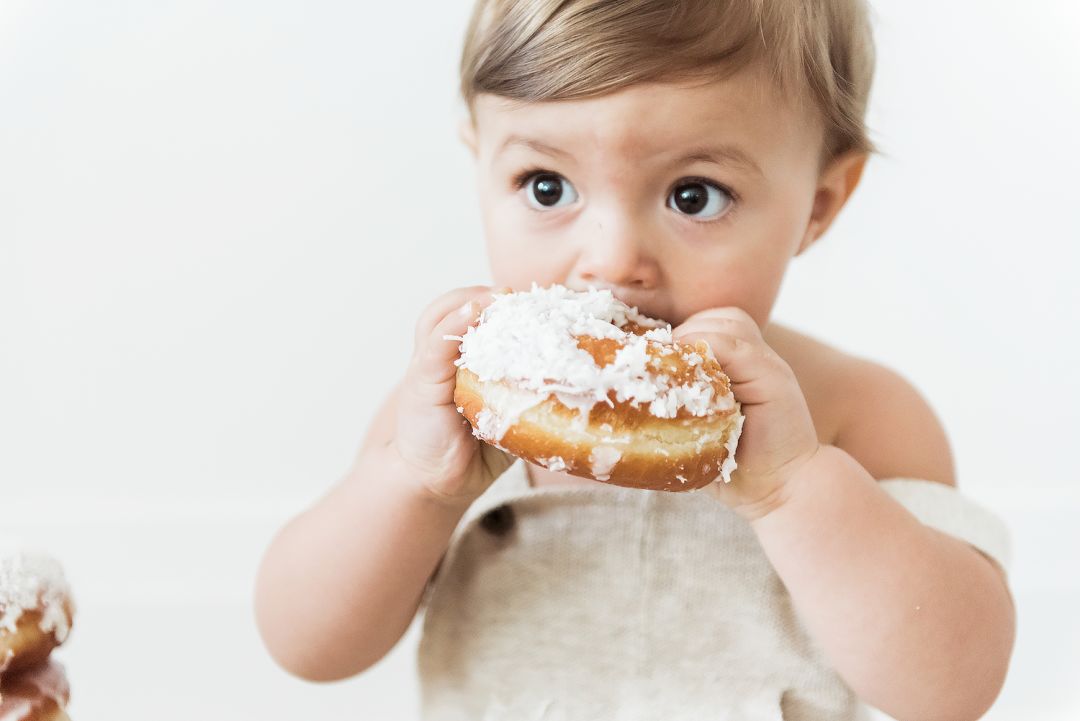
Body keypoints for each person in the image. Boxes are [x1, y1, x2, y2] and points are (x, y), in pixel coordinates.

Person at [254, 2, 1015, 719]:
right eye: (546, 186)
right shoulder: (451, 415)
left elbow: (951, 688)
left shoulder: (856, 413)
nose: (612, 261)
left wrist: (794, 489)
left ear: (818, 204)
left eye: (695, 196)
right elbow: (308, 643)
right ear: (481, 165)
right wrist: (415, 486)